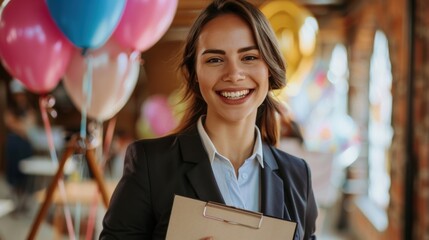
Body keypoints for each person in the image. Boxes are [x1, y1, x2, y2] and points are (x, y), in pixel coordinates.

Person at [100, 0, 318, 239]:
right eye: (215, 59)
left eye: (249, 57)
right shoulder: (151, 166)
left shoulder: (298, 175)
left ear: (270, 68)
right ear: (194, 75)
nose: (234, 74)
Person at [3, 79, 36, 215]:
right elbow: (11, 123)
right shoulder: (10, 110)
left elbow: (30, 124)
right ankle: (15, 203)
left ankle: (22, 203)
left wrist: (19, 125)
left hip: (24, 146)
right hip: (14, 145)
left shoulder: (29, 109)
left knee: (25, 175)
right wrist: (22, 126)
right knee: (14, 173)